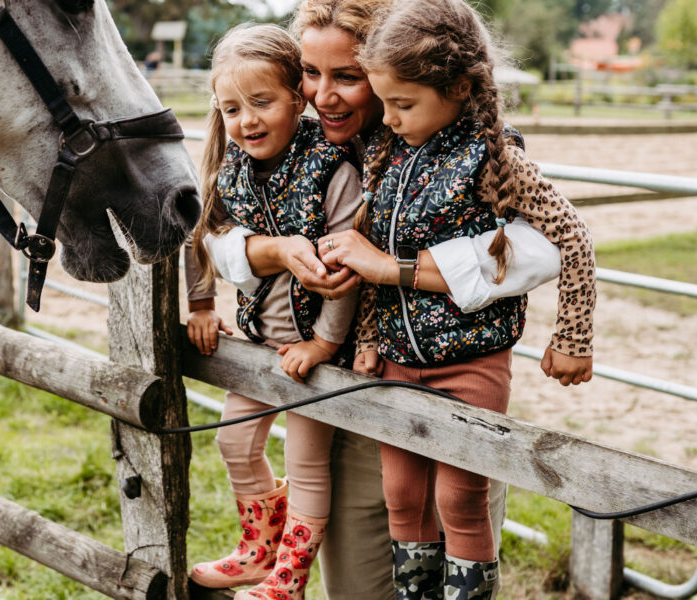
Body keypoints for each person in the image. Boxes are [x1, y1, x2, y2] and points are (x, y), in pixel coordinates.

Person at [189, 1, 565, 598]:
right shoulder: (301, 148)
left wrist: (395, 269)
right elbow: (221, 232)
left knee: (451, 561)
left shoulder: (459, 146)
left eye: (347, 76)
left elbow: (541, 250)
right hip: (343, 396)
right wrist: (275, 251)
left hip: (438, 384)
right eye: (311, 73)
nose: (323, 95)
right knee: (359, 587)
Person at [315, 0, 597, 597]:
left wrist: (573, 337)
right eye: (385, 103)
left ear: (461, 86)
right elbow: (369, 256)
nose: (389, 118)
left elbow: (569, 234)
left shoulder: (493, 157)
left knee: (460, 498)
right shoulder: (388, 154)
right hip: (394, 362)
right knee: (403, 495)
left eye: (403, 104)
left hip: (469, 361)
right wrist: (368, 339)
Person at [183, 23, 363, 600]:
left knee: (306, 461)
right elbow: (200, 232)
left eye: (262, 103)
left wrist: (324, 346)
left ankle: (290, 578)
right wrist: (202, 302)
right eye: (232, 108)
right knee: (234, 443)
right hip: (260, 343)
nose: (248, 121)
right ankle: (259, 551)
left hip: (314, 353)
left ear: (296, 95)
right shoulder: (231, 167)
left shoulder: (333, 171)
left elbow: (345, 276)